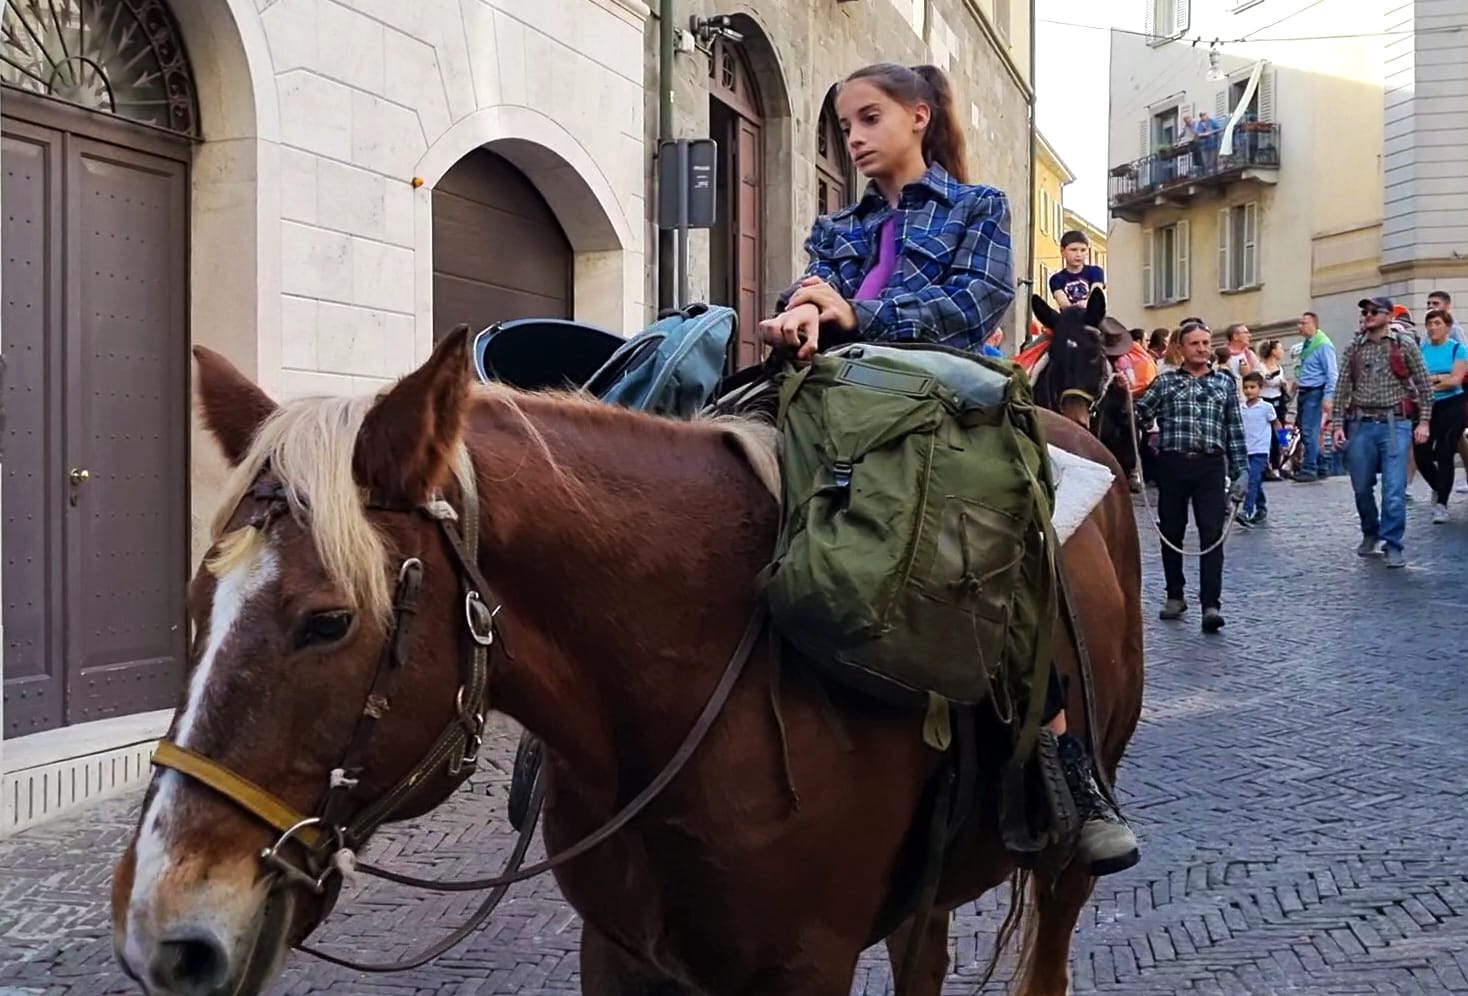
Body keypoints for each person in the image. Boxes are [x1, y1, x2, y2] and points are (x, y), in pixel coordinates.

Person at [760, 62, 1137, 875]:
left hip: (946, 404)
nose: (853, 139)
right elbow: (814, 289)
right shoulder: (838, 225)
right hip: (835, 399)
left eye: (868, 118)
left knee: (1006, 545)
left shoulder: (979, 207)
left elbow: (973, 305)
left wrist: (858, 311)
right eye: (845, 126)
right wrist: (799, 314)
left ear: (919, 116)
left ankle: (1064, 764)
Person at [1133, 323, 1248, 634]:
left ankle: (1211, 605)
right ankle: (1175, 596)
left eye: (1206, 343)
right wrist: (1124, 394)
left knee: (1212, 534)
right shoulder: (1166, 382)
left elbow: (1234, 428)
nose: (1202, 348)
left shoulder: (1224, 382)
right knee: (1172, 531)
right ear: (1180, 349)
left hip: (1211, 466)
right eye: (1194, 343)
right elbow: (1140, 414)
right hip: (1173, 465)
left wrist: (1242, 471)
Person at [1332, 296, 1434, 568]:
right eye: (1365, 311)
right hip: (1361, 424)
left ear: (1388, 316)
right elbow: (1342, 388)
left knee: (1394, 489)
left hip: (1395, 423)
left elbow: (1425, 385)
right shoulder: (1354, 348)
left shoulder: (1404, 345)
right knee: (1361, 487)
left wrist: (1424, 422)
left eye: (1374, 311)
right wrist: (1337, 425)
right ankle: (1370, 531)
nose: (1368, 315)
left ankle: (1393, 543)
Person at [1413, 308, 1468, 523]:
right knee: (1421, 454)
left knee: (1445, 449)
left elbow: (1455, 380)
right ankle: (1439, 486)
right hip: (1427, 406)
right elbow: (1415, 378)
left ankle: (1442, 503)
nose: (1432, 328)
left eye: (1437, 323)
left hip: (1452, 404)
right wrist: (1439, 378)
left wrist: (1431, 381)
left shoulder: (1458, 349)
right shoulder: (1421, 350)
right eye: (1429, 324)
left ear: (1447, 327)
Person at [1291, 311, 1338, 482]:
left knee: (1309, 430)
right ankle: (1321, 464)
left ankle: (1310, 468)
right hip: (1306, 390)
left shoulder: (1323, 345)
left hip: (1315, 391)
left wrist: (1328, 396)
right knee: (1306, 430)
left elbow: (1332, 373)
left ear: (1313, 324)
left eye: (1303, 323)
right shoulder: (1308, 344)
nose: (1299, 326)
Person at [1237, 371, 1281, 526]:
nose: (1248, 391)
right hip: (1245, 449)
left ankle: (1247, 511)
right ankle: (1261, 507)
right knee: (1255, 480)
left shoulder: (1266, 407)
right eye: (1246, 387)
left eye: (1252, 387)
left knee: (1252, 480)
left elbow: (1276, 424)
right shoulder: (1241, 408)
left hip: (1260, 450)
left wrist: (1283, 441)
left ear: (1260, 388)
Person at [1048, 230, 1106, 308]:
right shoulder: (1056, 279)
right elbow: (1064, 305)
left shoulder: (1096, 272)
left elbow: (1096, 296)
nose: (1078, 254)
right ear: (1062, 251)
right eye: (1073, 250)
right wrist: (1078, 307)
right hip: (1071, 315)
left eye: (1083, 250)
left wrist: (1086, 304)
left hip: (1094, 314)